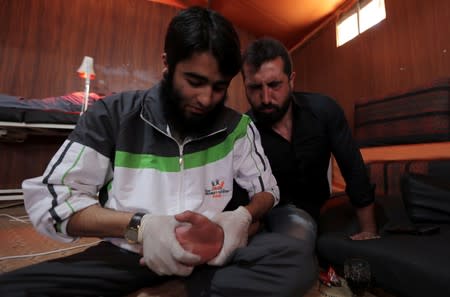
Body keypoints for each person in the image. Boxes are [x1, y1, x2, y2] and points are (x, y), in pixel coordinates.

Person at [0, 7, 317, 297]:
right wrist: (141, 225)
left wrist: (240, 217)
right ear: (167, 64)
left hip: (214, 255)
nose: (206, 99)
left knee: (296, 262)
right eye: (194, 81)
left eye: (219, 87)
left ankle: (176, 290)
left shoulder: (238, 128)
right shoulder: (112, 116)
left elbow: (267, 191)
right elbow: (53, 202)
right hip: (130, 254)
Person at [241, 37, 378, 245]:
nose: (266, 98)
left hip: (321, 205)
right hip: (275, 215)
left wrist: (369, 230)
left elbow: (353, 168)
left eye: (274, 84)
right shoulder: (244, 132)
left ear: (292, 80)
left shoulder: (324, 110)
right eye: (254, 88)